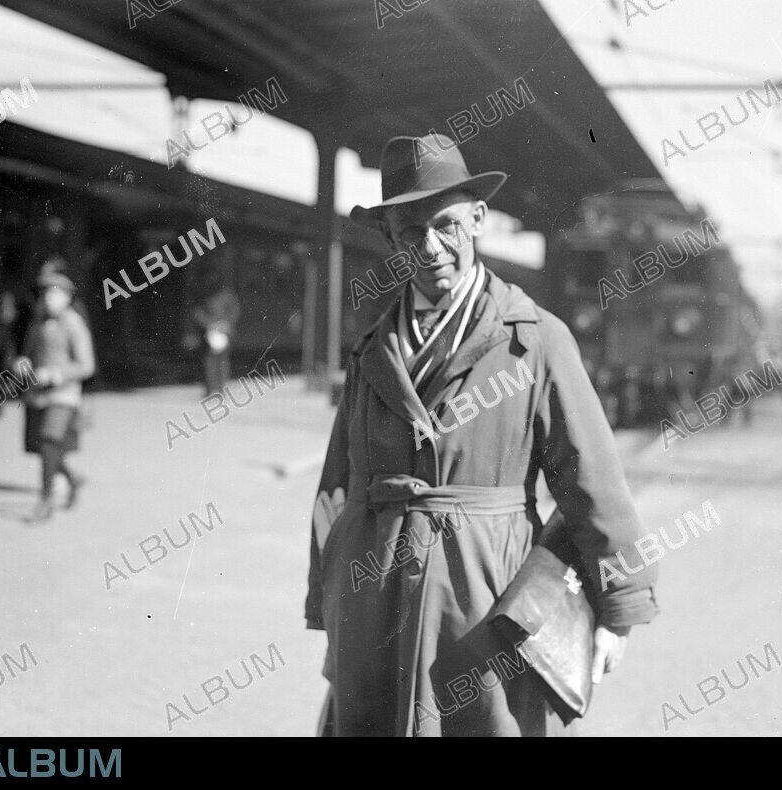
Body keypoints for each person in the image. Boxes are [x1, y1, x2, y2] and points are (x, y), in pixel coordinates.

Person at [305, 133, 659, 737]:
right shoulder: (371, 350)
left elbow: (592, 482)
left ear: (477, 219)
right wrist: (330, 596)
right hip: (372, 603)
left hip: (483, 601)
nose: (430, 247)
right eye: (410, 231)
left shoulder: (535, 340)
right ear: (391, 238)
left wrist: (618, 610)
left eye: (445, 225)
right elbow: (336, 485)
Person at [19, 271, 95, 521]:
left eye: (55, 295)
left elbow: (86, 365)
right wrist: (22, 363)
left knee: (49, 440)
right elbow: (29, 354)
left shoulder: (74, 324)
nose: (49, 299)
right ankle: (72, 479)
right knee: (41, 446)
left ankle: (45, 500)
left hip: (64, 394)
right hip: (38, 394)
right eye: (45, 295)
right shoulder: (38, 322)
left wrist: (55, 374)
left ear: (67, 298)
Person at [191, 270, 240, 396]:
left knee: (217, 360)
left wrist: (222, 324)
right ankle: (213, 387)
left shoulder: (225, 294)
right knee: (213, 360)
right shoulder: (224, 294)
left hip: (220, 330)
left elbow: (234, 311)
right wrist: (212, 324)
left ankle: (218, 387)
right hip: (211, 331)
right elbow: (197, 312)